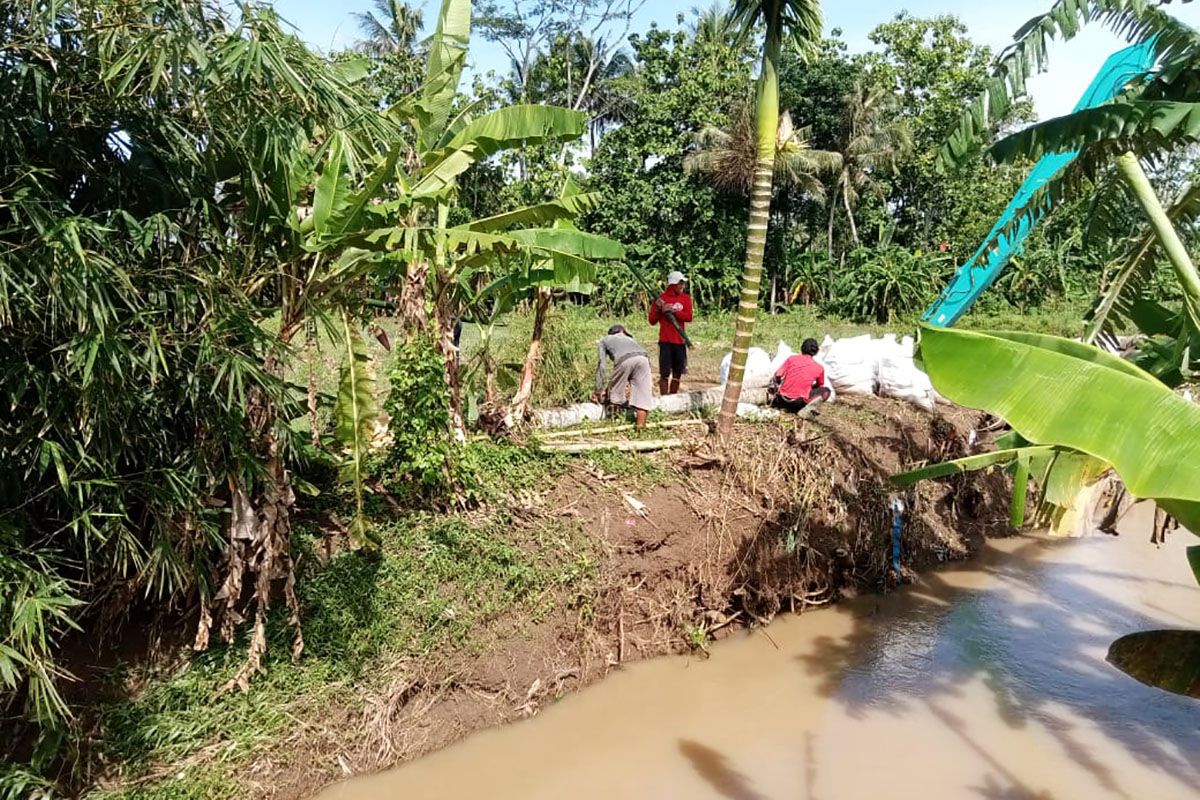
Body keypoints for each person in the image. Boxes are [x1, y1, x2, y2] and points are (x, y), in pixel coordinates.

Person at [593, 325, 653, 428]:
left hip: (624, 360)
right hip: (644, 359)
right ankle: (640, 429)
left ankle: (613, 426)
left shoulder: (604, 340)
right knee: (643, 398)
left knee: (615, 397)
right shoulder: (630, 338)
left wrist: (598, 390)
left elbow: (602, 366)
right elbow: (622, 376)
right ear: (623, 331)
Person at [649, 270, 693, 395]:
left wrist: (674, 311)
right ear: (673, 284)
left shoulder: (685, 299)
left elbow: (689, 317)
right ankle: (664, 397)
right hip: (665, 341)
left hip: (680, 340)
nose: (682, 286)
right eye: (680, 283)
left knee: (678, 373)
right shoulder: (660, 300)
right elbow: (652, 321)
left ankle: (673, 396)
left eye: (683, 284)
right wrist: (659, 310)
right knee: (664, 373)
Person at [769, 338, 831, 413]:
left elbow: (778, 375)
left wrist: (779, 383)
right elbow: (820, 386)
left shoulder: (791, 359)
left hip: (781, 400)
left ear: (802, 349)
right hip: (798, 403)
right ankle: (807, 410)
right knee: (826, 391)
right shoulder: (819, 368)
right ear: (816, 352)